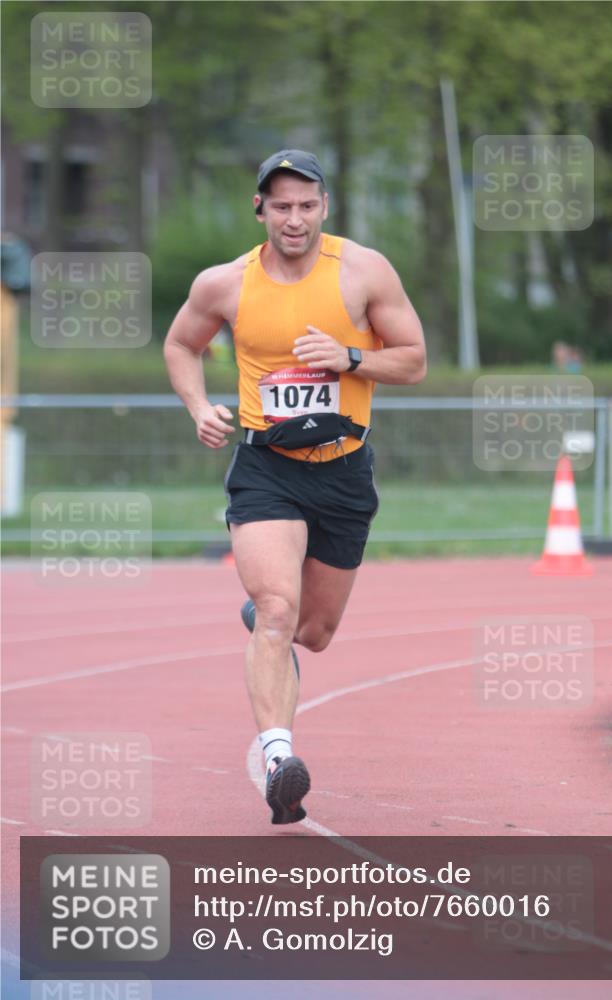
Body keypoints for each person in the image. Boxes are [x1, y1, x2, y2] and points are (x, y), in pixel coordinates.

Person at [164, 149, 426, 824]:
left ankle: (269, 629)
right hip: (266, 469)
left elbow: (415, 361)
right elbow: (180, 345)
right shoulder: (226, 283)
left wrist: (351, 357)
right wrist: (198, 408)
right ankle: (280, 759)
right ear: (260, 209)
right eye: (280, 206)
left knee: (313, 631)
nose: (294, 218)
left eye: (306, 205)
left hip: (343, 469)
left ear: (324, 208)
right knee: (278, 609)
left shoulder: (363, 271)